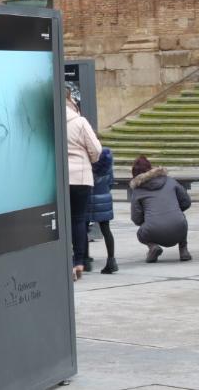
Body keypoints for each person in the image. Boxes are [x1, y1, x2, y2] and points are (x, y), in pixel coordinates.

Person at [129, 156, 191, 263]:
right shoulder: (170, 181)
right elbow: (186, 202)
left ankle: (153, 247)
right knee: (181, 218)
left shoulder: (137, 191)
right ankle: (183, 250)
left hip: (153, 231)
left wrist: (149, 219)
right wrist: (175, 210)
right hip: (179, 228)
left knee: (140, 233)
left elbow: (136, 218)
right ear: (150, 168)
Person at [66, 94, 101, 281]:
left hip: (60, 178)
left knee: (61, 221)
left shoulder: (51, 122)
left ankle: (65, 259)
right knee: (79, 220)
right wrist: (90, 161)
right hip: (80, 178)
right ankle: (78, 261)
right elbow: (96, 149)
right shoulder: (79, 122)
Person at [88, 147, 117, 273]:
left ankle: (84, 259)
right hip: (104, 196)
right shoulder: (107, 159)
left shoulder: (87, 159)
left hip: (88, 197)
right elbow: (111, 182)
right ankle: (111, 260)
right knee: (106, 230)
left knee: (82, 227)